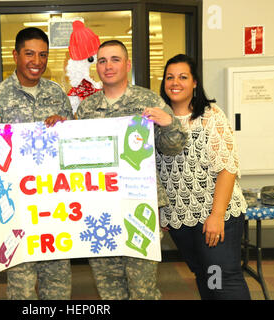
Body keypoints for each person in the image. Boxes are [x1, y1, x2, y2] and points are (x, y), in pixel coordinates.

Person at [75, 40, 187, 299]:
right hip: (99, 209)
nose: (108, 66)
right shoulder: (86, 108)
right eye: (102, 61)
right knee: (108, 288)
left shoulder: (148, 100)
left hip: (140, 207)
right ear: (97, 68)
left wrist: (168, 123)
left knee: (143, 288)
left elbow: (174, 146)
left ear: (127, 65)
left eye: (115, 59)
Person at [0, 27, 74, 299]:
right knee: (21, 286)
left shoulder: (57, 94)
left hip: (55, 207)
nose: (37, 61)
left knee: (58, 283)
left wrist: (65, 128)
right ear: (15, 55)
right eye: (29, 53)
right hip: (17, 209)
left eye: (43, 55)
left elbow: (71, 149)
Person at [157, 53, 251, 299]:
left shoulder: (210, 116)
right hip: (179, 218)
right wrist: (160, 210)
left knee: (223, 278)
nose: (175, 82)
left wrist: (217, 216)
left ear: (195, 82)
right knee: (204, 275)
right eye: (170, 77)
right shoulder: (157, 120)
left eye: (183, 77)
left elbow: (227, 167)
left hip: (216, 214)